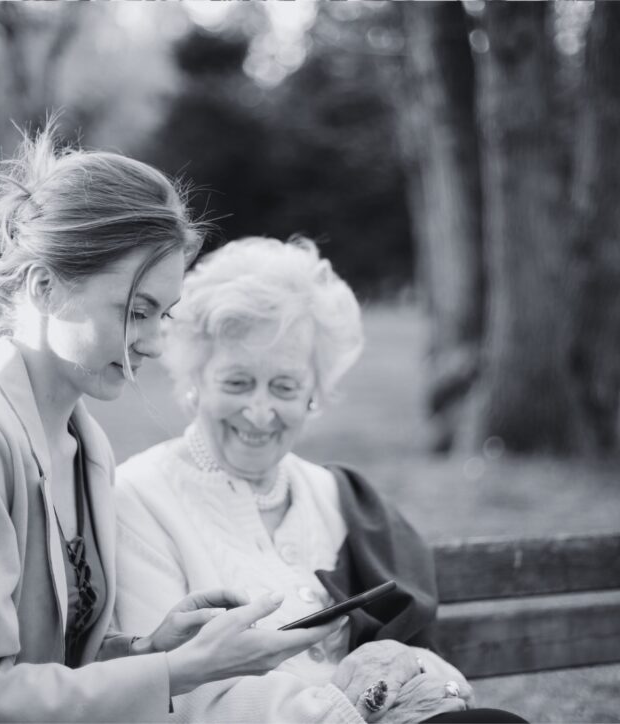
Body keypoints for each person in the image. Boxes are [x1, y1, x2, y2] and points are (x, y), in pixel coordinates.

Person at [0, 130, 339, 723]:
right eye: (135, 311)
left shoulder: (85, 443)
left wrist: (152, 648)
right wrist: (181, 672)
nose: (152, 342)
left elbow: (53, 667)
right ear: (46, 286)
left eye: (163, 314)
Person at [115, 237, 526, 723]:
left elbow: (426, 661)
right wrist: (346, 708)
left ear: (314, 395)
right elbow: (177, 695)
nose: (261, 410)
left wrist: (418, 674)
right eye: (237, 382)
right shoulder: (138, 497)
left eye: (285, 387)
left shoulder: (337, 496)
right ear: (193, 383)